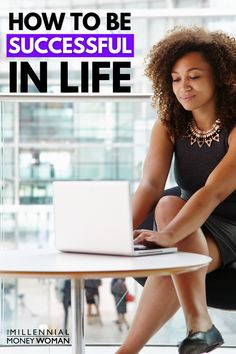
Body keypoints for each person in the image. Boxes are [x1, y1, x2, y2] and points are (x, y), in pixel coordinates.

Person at [116, 26, 236, 354]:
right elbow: (151, 184)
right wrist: (114, 232)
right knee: (168, 203)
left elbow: (213, 192)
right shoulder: (171, 122)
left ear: (222, 77)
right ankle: (199, 325)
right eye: (175, 78)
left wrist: (168, 235)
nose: (183, 86)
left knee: (172, 217)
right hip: (191, 221)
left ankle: (131, 350)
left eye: (194, 76)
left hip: (230, 224)